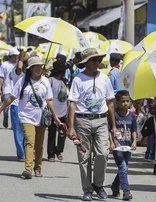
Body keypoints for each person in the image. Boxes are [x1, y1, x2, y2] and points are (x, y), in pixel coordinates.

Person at [0, 56, 61, 179]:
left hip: (41, 117)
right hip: (26, 117)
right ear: (30, 69)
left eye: (40, 67)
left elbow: (49, 100)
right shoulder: (22, 81)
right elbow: (11, 97)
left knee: (39, 145)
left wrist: (55, 116)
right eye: (36, 67)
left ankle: (38, 168)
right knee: (30, 141)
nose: (39, 69)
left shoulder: (45, 81)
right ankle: (28, 169)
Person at [66, 48, 116, 201]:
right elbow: (72, 104)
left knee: (103, 153)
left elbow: (110, 102)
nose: (97, 63)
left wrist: (113, 126)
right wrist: (71, 126)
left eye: (98, 60)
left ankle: (98, 185)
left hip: (101, 120)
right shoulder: (78, 79)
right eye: (93, 60)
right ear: (86, 63)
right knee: (84, 156)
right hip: (83, 121)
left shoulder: (104, 79)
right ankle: (87, 189)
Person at [108, 90, 136, 200]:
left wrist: (134, 141)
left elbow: (134, 130)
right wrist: (111, 142)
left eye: (127, 101)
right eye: (123, 101)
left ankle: (115, 185)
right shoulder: (113, 115)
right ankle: (126, 191)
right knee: (123, 167)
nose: (125, 103)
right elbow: (109, 130)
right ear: (117, 102)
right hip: (117, 146)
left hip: (128, 146)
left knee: (124, 168)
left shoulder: (132, 116)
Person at [47, 60, 68, 162]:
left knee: (63, 133)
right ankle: (51, 153)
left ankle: (58, 149)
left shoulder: (64, 82)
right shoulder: (50, 80)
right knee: (52, 133)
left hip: (63, 111)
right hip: (52, 111)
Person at [0, 47, 19, 128]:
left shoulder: (18, 65)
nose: (16, 57)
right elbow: (1, 77)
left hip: (16, 90)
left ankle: (13, 124)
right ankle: (5, 117)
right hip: (7, 89)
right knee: (6, 107)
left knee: (14, 108)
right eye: (14, 56)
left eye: (17, 55)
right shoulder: (4, 65)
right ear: (10, 56)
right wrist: (0, 89)